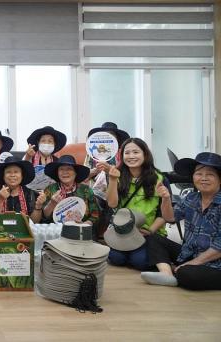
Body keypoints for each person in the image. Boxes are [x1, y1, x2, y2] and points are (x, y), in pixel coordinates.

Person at [141, 152, 221, 290]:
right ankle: (167, 274)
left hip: (216, 264)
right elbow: (170, 218)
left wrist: (193, 263)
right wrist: (166, 199)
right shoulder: (192, 198)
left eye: (210, 174)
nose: (203, 178)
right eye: (199, 174)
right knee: (153, 238)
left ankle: (177, 271)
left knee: (187, 275)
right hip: (190, 253)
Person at [101, 138, 172, 271]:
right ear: (122, 156)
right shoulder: (117, 175)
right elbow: (112, 204)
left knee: (139, 261)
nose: (131, 156)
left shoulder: (160, 179)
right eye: (127, 153)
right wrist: (112, 179)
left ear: (145, 154)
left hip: (149, 232)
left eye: (136, 152)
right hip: (124, 232)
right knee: (116, 258)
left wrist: (150, 231)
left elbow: (163, 214)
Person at [83, 122, 130, 240]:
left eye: (111, 136)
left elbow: (128, 176)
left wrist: (110, 170)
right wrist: (95, 171)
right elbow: (83, 176)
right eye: (105, 135)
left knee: (114, 204)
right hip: (96, 192)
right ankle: (92, 238)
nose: (108, 138)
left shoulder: (123, 154)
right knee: (93, 203)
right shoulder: (92, 154)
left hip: (118, 190)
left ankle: (112, 237)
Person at [42, 155, 100, 226]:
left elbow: (95, 215)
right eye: (61, 169)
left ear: (75, 173)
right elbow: (45, 216)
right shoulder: (50, 189)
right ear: (57, 173)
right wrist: (52, 203)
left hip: (83, 231)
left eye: (69, 169)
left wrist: (84, 225)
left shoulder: (86, 190)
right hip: (56, 230)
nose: (65, 172)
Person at [0, 157, 45, 223]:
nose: (12, 175)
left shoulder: (30, 193)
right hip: (0, 231)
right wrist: (0, 200)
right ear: (3, 176)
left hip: (25, 231)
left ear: (22, 176)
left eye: (16, 172)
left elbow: (34, 222)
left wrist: (38, 207)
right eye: (8, 172)